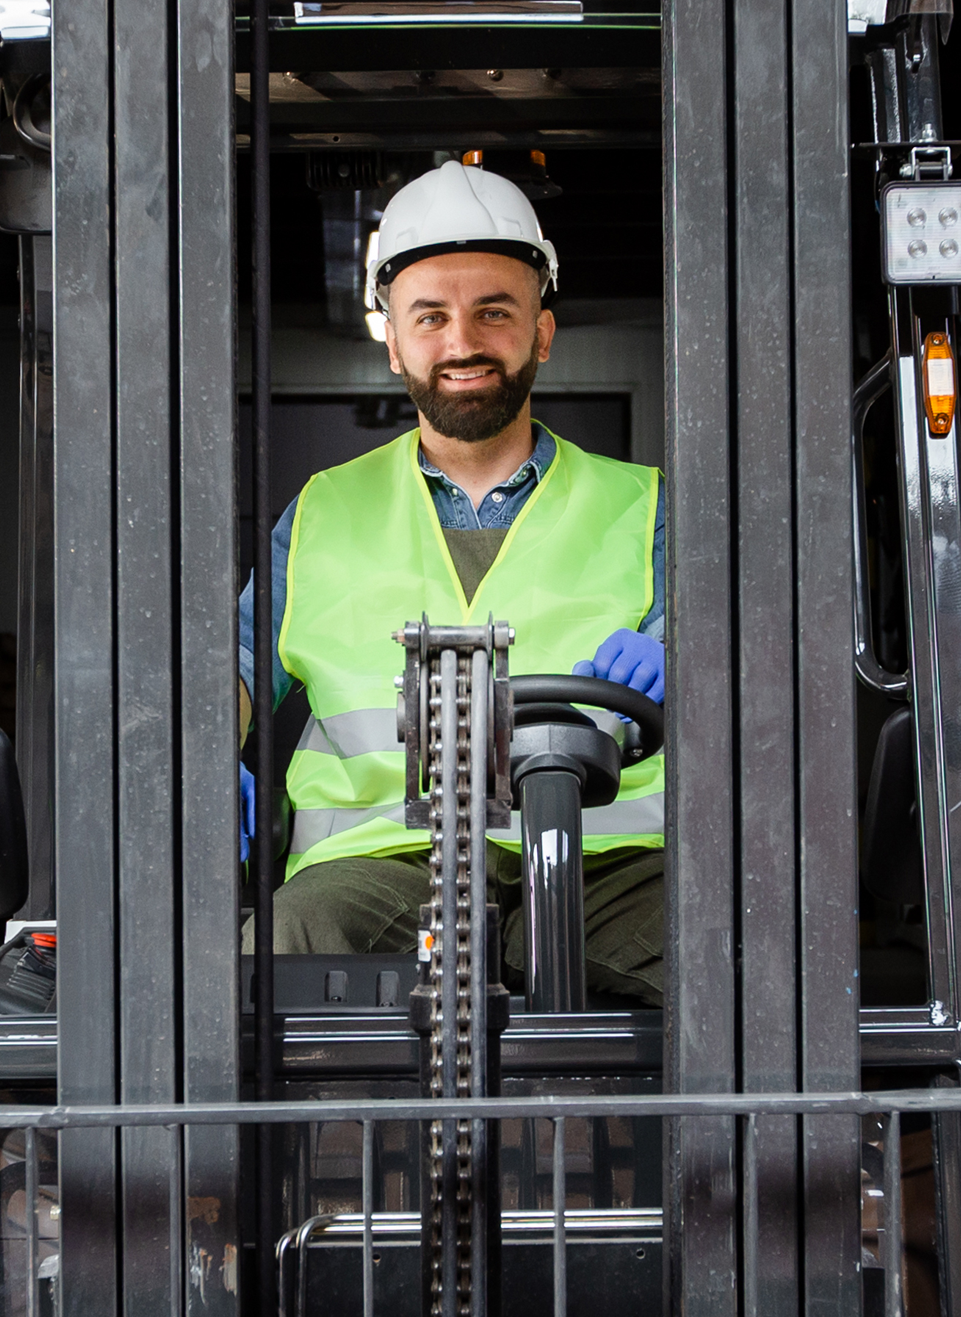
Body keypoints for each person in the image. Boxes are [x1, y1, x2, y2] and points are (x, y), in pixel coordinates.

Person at [238, 162, 667, 1002]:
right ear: (392, 339)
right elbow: (239, 667)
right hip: (380, 865)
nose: (463, 341)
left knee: (739, 956)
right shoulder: (322, 513)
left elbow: (734, 656)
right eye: (430, 316)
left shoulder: (647, 506)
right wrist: (187, 755)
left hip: (607, 867)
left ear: (541, 333)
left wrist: (686, 662)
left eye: (494, 311)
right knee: (274, 954)